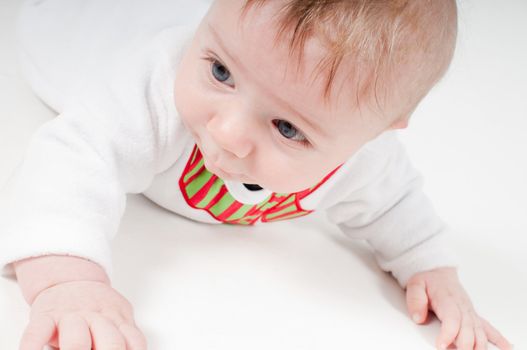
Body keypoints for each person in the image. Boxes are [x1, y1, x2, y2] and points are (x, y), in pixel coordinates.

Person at [0, 0, 513, 349]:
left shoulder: (362, 154)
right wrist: (67, 279)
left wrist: (430, 266)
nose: (226, 133)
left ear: (380, 130)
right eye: (219, 71)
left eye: (288, 128)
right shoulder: (152, 81)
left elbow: (395, 203)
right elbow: (71, 155)